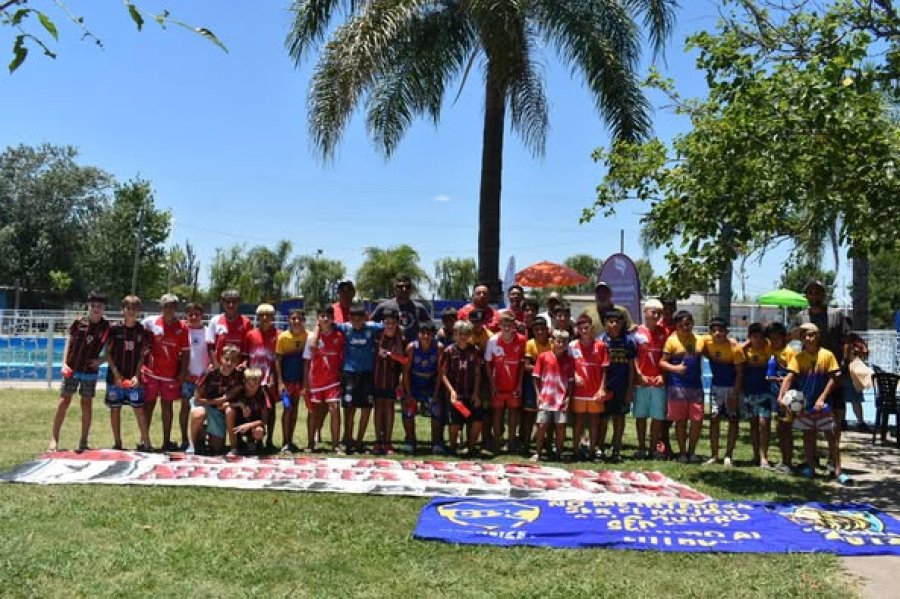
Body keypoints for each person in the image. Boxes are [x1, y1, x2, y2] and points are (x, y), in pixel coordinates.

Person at [777, 323, 848, 484]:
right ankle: (810, 466)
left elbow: (833, 378)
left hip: (824, 405)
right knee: (808, 436)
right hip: (805, 405)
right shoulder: (798, 358)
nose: (808, 338)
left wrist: (822, 398)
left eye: (811, 334)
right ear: (801, 339)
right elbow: (789, 377)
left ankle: (838, 471)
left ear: (818, 336)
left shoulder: (827, 355)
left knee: (831, 437)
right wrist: (781, 396)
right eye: (804, 336)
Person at [50, 291, 111, 452]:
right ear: (88, 306)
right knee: (63, 402)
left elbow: (113, 350)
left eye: (99, 306)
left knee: (86, 404)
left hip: (89, 372)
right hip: (72, 368)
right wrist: (64, 364)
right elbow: (68, 342)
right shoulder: (79, 322)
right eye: (93, 305)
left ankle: (83, 441)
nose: (96, 308)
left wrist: (101, 360)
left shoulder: (107, 327)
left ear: (104, 308)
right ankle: (54, 439)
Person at [142, 294, 190, 452]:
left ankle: (166, 441)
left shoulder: (182, 327)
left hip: (170, 375)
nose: (169, 309)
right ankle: (144, 440)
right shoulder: (150, 322)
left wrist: (182, 374)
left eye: (173, 306)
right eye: (166, 306)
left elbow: (185, 353)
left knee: (167, 407)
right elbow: (137, 333)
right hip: (151, 373)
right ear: (160, 307)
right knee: (148, 406)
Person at [103, 295, 152, 451]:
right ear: (122, 310)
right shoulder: (114, 329)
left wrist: (137, 376)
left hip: (133, 378)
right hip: (114, 378)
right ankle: (117, 443)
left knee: (138, 409)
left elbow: (141, 356)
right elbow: (108, 353)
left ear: (139, 311)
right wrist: (116, 374)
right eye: (128, 308)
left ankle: (147, 443)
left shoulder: (141, 330)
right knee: (115, 409)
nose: (131, 311)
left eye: (135, 308)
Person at [334, 305, 382, 453]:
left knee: (367, 408)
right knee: (349, 408)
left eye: (360, 319)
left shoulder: (372, 327)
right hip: (349, 373)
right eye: (353, 319)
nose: (356, 322)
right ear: (349, 318)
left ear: (365, 318)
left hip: (367, 374)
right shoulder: (345, 328)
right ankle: (348, 439)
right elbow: (325, 324)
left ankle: (360, 441)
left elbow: (390, 325)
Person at [659, 310, 704, 463]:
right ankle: (683, 453)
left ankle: (692, 452)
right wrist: (676, 369)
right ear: (677, 326)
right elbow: (662, 362)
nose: (686, 327)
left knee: (697, 421)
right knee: (681, 421)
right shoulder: (671, 341)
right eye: (682, 324)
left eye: (688, 323)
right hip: (677, 387)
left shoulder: (700, 340)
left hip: (696, 387)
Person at [701, 317, 745, 468]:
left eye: (721, 330)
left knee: (733, 419)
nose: (718, 333)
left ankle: (728, 455)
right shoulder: (706, 342)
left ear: (727, 331)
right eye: (714, 330)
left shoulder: (735, 347)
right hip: (715, 386)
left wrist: (735, 395)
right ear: (710, 332)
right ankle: (714, 455)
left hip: (732, 387)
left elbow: (740, 373)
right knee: (714, 418)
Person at [484, 312, 527, 454]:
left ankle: (511, 442)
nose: (507, 328)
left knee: (513, 413)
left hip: (514, 383)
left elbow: (522, 364)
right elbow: (488, 364)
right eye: (504, 325)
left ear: (514, 326)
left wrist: (520, 384)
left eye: (510, 326)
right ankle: (496, 442)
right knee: (498, 413)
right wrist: (492, 385)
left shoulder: (521, 340)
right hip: (498, 384)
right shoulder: (493, 341)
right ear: (500, 326)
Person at [303, 306, 345, 453]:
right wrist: (305, 384)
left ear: (333, 319)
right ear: (318, 319)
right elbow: (307, 360)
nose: (325, 318)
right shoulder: (312, 337)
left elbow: (342, 358)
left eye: (328, 316)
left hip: (333, 381)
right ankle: (310, 444)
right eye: (322, 316)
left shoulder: (339, 336)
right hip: (315, 381)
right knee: (313, 412)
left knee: (334, 409)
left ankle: (335, 444)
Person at [189, 344, 243, 455]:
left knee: (217, 449)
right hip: (203, 405)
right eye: (227, 359)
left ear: (237, 361)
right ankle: (192, 444)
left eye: (233, 360)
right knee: (199, 413)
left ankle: (207, 433)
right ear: (221, 358)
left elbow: (227, 397)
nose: (229, 363)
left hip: (217, 409)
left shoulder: (238, 377)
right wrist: (216, 402)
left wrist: (220, 402)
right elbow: (197, 398)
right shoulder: (210, 373)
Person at [440, 319, 483, 456]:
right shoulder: (449, 351)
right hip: (456, 395)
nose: (463, 336)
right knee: (455, 424)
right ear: (455, 334)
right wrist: (451, 392)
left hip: (470, 395)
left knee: (476, 421)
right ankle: (453, 449)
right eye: (460, 333)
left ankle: (470, 449)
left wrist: (476, 393)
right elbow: (443, 374)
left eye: (466, 334)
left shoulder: (475, 351)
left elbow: (477, 374)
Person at [568, 314, 609, 460]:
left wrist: (602, 388)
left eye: (587, 327)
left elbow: (604, 369)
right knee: (578, 421)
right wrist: (575, 374)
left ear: (591, 328)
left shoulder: (601, 346)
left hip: (594, 391)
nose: (584, 331)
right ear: (577, 330)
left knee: (594, 421)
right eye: (581, 328)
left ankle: (592, 450)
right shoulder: (572, 346)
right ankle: (576, 450)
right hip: (579, 392)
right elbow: (568, 365)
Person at [597, 309, 636, 462]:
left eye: (617, 321)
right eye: (610, 321)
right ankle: (599, 447)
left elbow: (632, 368)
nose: (614, 324)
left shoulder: (628, 341)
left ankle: (616, 448)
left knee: (619, 418)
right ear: (605, 323)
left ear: (622, 323)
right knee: (603, 419)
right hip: (605, 386)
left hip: (622, 387)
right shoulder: (601, 341)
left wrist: (629, 390)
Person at [632, 300, 668, 460]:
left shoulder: (665, 332)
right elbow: (632, 355)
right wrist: (638, 374)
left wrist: (663, 375)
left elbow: (669, 356)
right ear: (645, 312)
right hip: (641, 381)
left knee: (657, 416)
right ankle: (641, 447)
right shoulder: (636, 332)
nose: (656, 315)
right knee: (640, 416)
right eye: (653, 312)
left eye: (659, 313)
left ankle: (653, 448)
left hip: (658, 382)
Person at [531, 329, 575, 462]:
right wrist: (538, 395)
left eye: (564, 342)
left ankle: (559, 453)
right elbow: (536, 377)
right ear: (553, 342)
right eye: (558, 341)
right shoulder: (543, 357)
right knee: (541, 425)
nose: (561, 344)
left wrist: (568, 397)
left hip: (561, 398)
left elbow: (571, 381)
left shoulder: (569, 360)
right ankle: (538, 452)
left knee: (561, 426)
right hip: (545, 397)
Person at [242, 303, 280, 452]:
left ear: (273, 317)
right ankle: (254, 439)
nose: (265, 318)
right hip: (254, 379)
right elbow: (245, 356)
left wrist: (276, 379)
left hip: (270, 379)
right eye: (262, 315)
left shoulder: (278, 334)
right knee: (253, 409)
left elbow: (279, 359)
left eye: (268, 315)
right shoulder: (251, 335)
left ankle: (269, 439)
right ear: (257, 317)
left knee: (270, 410)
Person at [371, 308, 408, 454]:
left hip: (392, 379)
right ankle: (378, 440)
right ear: (382, 322)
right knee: (378, 408)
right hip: (377, 377)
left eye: (393, 322)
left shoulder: (401, 339)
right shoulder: (376, 336)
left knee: (389, 408)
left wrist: (391, 355)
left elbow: (405, 361)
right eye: (387, 322)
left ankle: (387, 441)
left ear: (397, 323)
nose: (390, 325)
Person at [404, 321, 444, 453]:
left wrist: (436, 393)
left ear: (434, 335)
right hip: (415, 382)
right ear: (418, 334)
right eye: (423, 333)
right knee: (408, 411)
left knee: (437, 410)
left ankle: (437, 443)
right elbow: (405, 372)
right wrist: (409, 395)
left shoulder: (439, 347)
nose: (425, 336)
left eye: (429, 333)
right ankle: (410, 441)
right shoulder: (411, 348)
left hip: (431, 382)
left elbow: (440, 372)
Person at [275, 308, 308, 453]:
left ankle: (291, 440)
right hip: (286, 380)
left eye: (299, 319)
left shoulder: (307, 336)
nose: (296, 321)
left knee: (295, 409)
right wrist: (280, 382)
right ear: (288, 320)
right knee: (287, 409)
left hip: (299, 380)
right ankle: (285, 441)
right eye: (293, 318)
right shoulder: (283, 337)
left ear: (303, 321)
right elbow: (278, 360)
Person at [742, 322, 774, 469]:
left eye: (761, 337)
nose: (758, 340)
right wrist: (747, 343)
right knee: (754, 424)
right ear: (750, 337)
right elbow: (736, 351)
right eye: (755, 337)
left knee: (764, 423)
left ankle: (764, 457)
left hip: (765, 392)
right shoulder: (745, 351)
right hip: (749, 392)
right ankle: (756, 455)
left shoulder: (768, 350)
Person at [766, 322, 797, 473]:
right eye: (771, 338)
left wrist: (782, 393)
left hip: (786, 396)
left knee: (786, 429)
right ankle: (784, 460)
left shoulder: (789, 352)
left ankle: (788, 462)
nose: (773, 341)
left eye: (776, 338)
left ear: (783, 338)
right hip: (775, 394)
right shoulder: (773, 351)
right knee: (780, 428)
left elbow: (792, 375)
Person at [182, 302, 210, 454]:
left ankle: (199, 440)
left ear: (202, 316)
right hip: (187, 377)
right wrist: (185, 373)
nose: (193, 317)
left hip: (203, 379)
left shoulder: (207, 332)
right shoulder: (182, 331)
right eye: (190, 314)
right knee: (185, 409)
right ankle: (184, 439)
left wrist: (205, 376)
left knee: (202, 411)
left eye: (197, 315)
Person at [371, 274, 432, 343]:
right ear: (394, 289)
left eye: (407, 286)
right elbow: (370, 326)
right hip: (390, 349)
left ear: (411, 289)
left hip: (413, 350)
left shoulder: (419, 308)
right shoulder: (384, 306)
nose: (404, 289)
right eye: (400, 287)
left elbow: (430, 327)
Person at [521, 316, 551, 455]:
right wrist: (543, 369)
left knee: (549, 415)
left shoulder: (553, 343)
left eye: (542, 329)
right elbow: (526, 366)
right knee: (529, 415)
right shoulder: (530, 344)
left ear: (547, 330)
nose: (540, 332)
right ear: (533, 331)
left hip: (550, 383)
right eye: (537, 330)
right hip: (532, 383)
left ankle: (548, 444)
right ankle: (526, 444)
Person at [225, 368, 268, 456]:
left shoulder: (262, 394)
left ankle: (255, 443)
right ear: (244, 382)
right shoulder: (238, 391)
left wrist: (248, 425)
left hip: (254, 425)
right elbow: (222, 405)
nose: (252, 387)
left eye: (255, 384)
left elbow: (265, 420)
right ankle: (234, 448)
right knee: (229, 411)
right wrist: (239, 405)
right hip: (237, 424)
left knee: (259, 431)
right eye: (249, 384)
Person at [206, 289, 252, 368]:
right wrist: (215, 364)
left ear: (238, 303)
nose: (231, 305)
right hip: (219, 366)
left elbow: (248, 347)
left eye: (234, 302)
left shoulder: (246, 322)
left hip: (238, 367)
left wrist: (244, 363)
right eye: (228, 302)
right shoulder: (215, 320)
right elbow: (210, 346)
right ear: (222, 303)